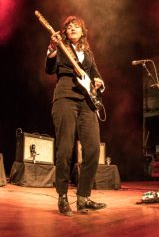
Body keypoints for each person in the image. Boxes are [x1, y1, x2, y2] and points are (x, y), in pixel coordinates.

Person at [45, 15, 106, 216]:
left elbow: (96, 73)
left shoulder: (88, 52)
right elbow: (49, 69)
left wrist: (98, 82)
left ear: (82, 31)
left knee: (93, 150)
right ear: (65, 32)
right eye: (69, 27)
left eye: (76, 26)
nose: (72, 28)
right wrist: (53, 48)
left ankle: (83, 197)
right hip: (65, 97)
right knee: (65, 148)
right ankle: (62, 197)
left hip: (87, 102)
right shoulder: (61, 47)